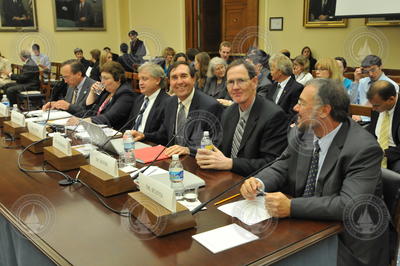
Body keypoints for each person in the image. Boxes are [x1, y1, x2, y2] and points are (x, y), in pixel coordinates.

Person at [240, 78, 389, 266]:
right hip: (307, 227)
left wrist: (292, 206)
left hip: (348, 239)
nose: (295, 108)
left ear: (324, 110)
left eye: (302, 103)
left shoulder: (363, 148)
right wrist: (258, 182)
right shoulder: (303, 132)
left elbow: (349, 204)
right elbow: (282, 165)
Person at [196, 60, 288, 176]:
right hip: (227, 179)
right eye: (230, 82)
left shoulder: (274, 116)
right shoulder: (228, 112)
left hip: (257, 185)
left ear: (254, 82)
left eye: (240, 81)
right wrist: (208, 155)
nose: (235, 87)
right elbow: (221, 149)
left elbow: (271, 163)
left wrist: (231, 163)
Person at [131, 61, 224, 156]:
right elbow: (163, 135)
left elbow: (215, 145)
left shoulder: (210, 106)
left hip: (197, 163)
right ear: (169, 82)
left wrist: (188, 150)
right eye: (174, 78)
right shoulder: (169, 102)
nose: (179, 82)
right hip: (173, 161)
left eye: (183, 76)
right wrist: (144, 135)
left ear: (193, 79)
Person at [68, 61, 137, 130]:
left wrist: (82, 121)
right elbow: (88, 110)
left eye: (106, 78)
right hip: (97, 129)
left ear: (118, 79)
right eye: (101, 78)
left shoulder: (126, 94)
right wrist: (92, 93)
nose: (102, 82)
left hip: (113, 133)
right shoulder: (106, 91)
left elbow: (108, 117)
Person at [123, 62, 170, 133]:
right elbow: (129, 125)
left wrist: (143, 136)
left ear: (157, 80)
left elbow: (162, 135)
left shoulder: (167, 102)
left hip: (148, 142)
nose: (140, 83)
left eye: (144, 79)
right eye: (139, 79)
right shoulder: (139, 99)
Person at [367, 80, 400, 173]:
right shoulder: (377, 104)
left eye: (376, 105)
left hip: (396, 153)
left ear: (391, 99)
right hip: (376, 148)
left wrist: (384, 153)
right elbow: (372, 132)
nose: (373, 109)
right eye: (372, 105)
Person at [265, 53, 304, 120]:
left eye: (272, 69)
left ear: (280, 71)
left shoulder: (296, 88)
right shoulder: (272, 86)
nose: (270, 73)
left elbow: (292, 115)